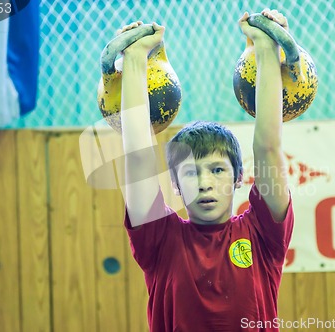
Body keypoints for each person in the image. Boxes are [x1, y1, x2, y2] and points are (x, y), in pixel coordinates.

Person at [119, 9, 294, 332]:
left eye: (216, 170)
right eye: (189, 173)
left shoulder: (263, 235)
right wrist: (133, 60)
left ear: (239, 177)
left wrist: (267, 47)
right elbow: (138, 158)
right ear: (173, 183)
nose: (204, 183)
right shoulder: (160, 239)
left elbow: (268, 147)